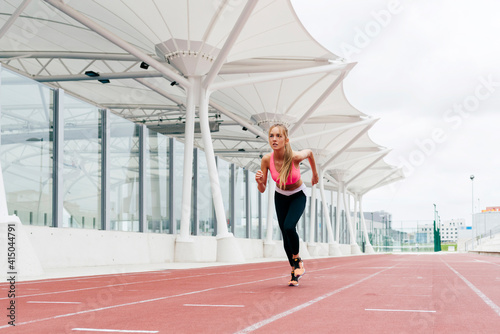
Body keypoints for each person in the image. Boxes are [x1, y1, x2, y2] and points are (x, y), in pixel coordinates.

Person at [255, 123, 319, 286]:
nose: (274, 139)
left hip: (298, 195)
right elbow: (262, 189)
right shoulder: (266, 159)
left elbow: (310, 153)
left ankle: (297, 260)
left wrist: (315, 175)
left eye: (278, 136)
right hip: (281, 195)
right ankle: (294, 272)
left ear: (286, 139)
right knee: (284, 232)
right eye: (271, 136)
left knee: (290, 226)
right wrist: (259, 182)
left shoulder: (295, 156)